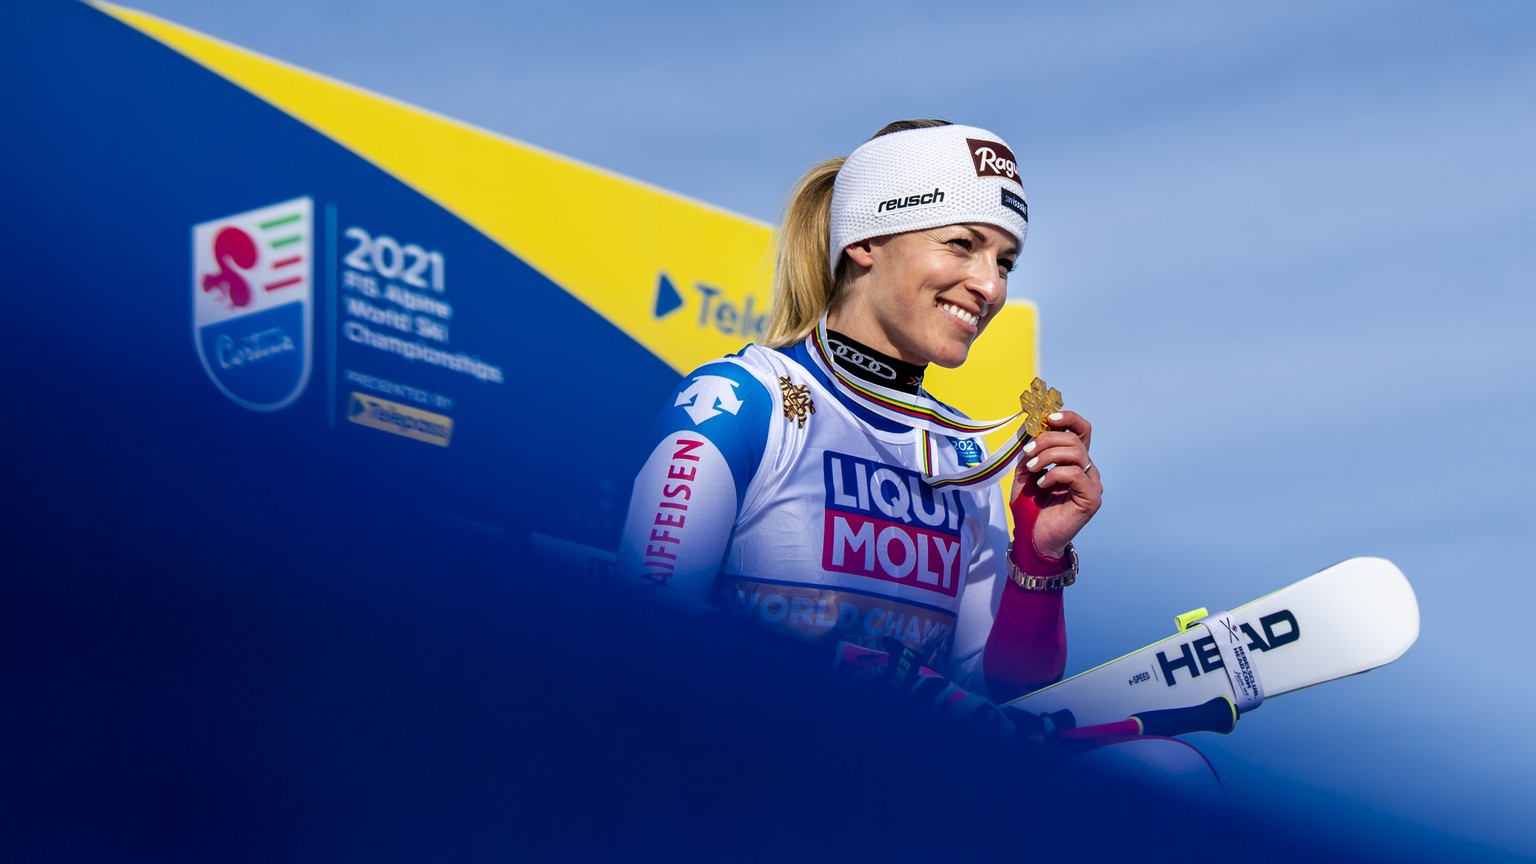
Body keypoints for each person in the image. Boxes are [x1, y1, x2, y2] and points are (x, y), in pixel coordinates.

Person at [616, 119, 1102, 719]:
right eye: (961, 244)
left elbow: (1002, 705)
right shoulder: (744, 400)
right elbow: (644, 622)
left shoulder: (968, 458)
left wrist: (1039, 557)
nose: (988, 285)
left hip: (899, 796)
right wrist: (828, 674)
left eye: (1005, 262)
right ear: (866, 241)